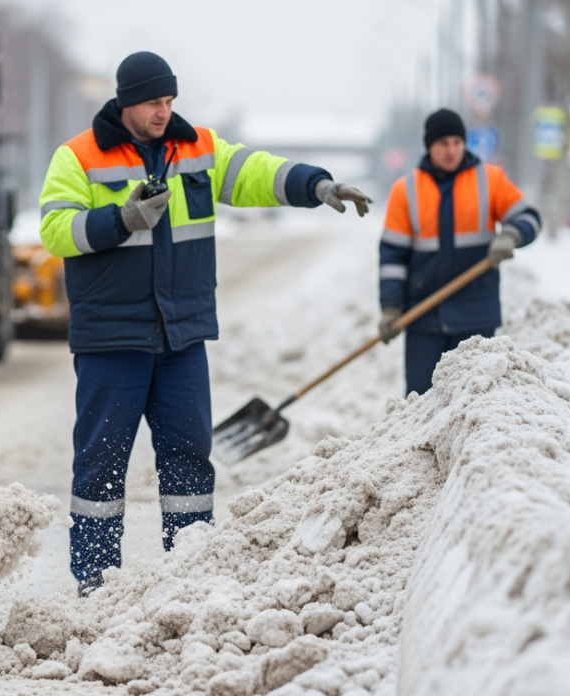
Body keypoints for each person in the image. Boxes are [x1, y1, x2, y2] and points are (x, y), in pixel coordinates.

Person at [38, 51, 371, 596]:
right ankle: (94, 580)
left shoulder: (198, 149)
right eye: (153, 103)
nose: (163, 112)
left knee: (190, 459)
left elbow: (259, 174)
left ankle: (189, 573)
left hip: (181, 335)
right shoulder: (78, 157)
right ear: (126, 102)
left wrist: (318, 185)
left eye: (169, 101)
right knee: (101, 463)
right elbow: (56, 230)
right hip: (112, 338)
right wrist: (120, 219)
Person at [377, 108, 541, 395]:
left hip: (476, 313)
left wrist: (513, 235)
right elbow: (393, 255)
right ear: (430, 146)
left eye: (457, 142)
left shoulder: (490, 180)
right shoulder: (406, 190)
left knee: (476, 399)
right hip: (423, 315)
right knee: (420, 401)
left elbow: (529, 217)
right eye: (443, 144)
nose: (451, 150)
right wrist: (391, 307)